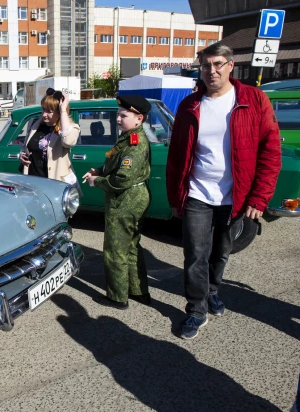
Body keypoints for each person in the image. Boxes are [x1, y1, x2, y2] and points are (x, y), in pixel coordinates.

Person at [166, 43, 282, 339]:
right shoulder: (190, 105)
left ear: (231, 65)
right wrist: (175, 198)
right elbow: (177, 156)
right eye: (206, 65)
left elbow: (271, 151)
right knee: (195, 254)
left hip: (236, 196)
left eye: (218, 64)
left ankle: (212, 291)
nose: (212, 70)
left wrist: (259, 197)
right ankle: (196, 309)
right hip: (197, 194)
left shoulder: (254, 100)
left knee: (221, 251)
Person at [82, 95, 152, 309]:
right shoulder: (128, 137)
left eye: (123, 115)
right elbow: (116, 164)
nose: (118, 119)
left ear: (139, 118)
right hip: (132, 198)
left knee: (116, 249)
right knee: (131, 247)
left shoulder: (135, 143)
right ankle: (138, 290)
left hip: (125, 201)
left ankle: (117, 296)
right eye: (118, 115)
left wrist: (97, 181)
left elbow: (123, 179)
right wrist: (100, 170)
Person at [19, 88, 80, 186]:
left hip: (56, 183)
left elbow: (68, 142)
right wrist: (21, 154)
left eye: (49, 111)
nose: (44, 114)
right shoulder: (33, 124)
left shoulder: (72, 128)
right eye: (43, 109)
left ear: (59, 112)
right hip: (32, 181)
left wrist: (63, 110)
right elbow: (25, 146)